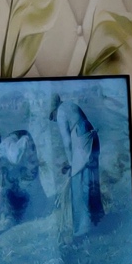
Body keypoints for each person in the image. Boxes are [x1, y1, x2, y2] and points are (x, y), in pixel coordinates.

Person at [53, 97, 105, 234]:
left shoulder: (60, 112)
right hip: (91, 138)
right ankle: (98, 220)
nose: (53, 120)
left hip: (82, 142)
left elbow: (67, 142)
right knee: (92, 179)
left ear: (53, 110)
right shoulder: (70, 105)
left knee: (79, 184)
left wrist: (71, 164)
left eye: (52, 117)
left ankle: (83, 228)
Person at [0, 130, 39, 230]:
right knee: (5, 185)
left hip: (21, 136)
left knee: (28, 178)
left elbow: (25, 139)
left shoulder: (13, 155)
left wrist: (31, 158)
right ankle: (16, 208)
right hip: (10, 148)